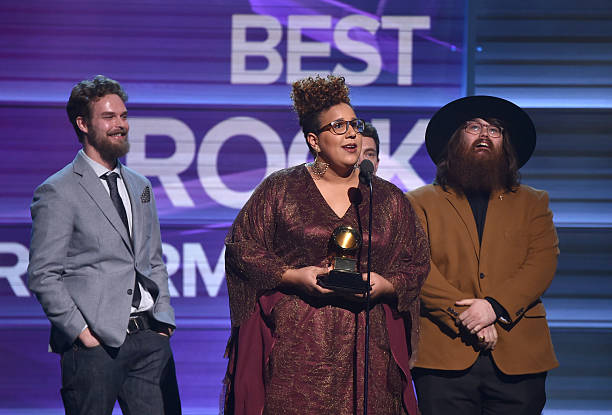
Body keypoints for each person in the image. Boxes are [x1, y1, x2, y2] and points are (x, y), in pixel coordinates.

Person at [223, 75, 429, 415]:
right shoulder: (281, 189)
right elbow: (241, 248)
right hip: (299, 349)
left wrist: (385, 284)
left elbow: (417, 260)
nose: (351, 133)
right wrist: (292, 276)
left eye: (354, 124)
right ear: (314, 141)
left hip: (368, 351)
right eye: (338, 126)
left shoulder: (386, 196)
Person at [27, 75, 179, 415]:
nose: (120, 125)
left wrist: (163, 318)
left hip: (149, 339)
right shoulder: (58, 190)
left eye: (123, 116)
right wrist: (82, 333)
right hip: (94, 348)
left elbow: (153, 257)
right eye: (108, 117)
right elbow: (43, 274)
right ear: (83, 124)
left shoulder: (140, 185)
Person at [406, 96, 559, 415]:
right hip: (443, 356)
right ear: (454, 141)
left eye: (496, 130)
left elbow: (542, 263)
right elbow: (416, 266)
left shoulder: (533, 202)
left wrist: (495, 307)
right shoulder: (419, 202)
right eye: (473, 127)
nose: (485, 135)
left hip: (519, 355)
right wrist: (469, 317)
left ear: (507, 146)